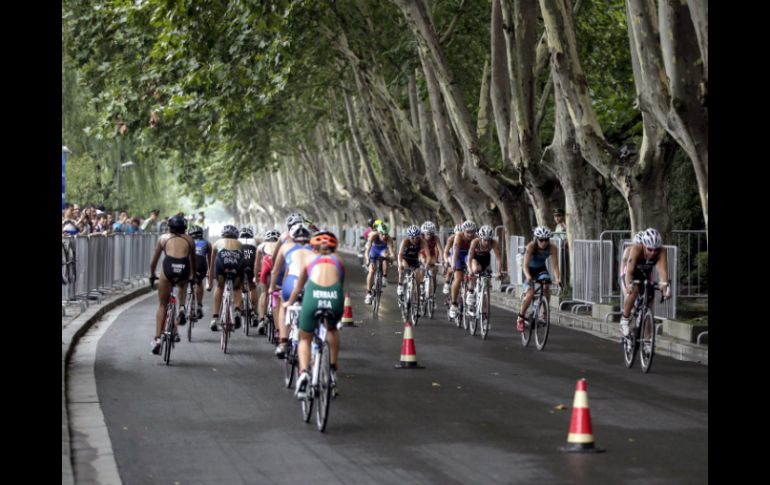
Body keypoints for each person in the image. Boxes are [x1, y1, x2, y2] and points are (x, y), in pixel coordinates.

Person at [284, 231, 345, 399]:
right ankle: (332, 369)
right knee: (332, 329)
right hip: (334, 297)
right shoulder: (339, 260)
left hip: (313, 296)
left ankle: (303, 373)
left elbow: (298, 288)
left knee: (305, 338)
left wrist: (288, 303)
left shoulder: (309, 259)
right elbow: (340, 284)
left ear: (314, 247)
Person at [149, 215, 195, 354]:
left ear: (169, 227)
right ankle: (181, 307)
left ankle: (157, 339)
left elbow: (154, 261)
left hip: (168, 268)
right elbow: (193, 263)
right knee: (182, 284)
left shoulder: (163, 238)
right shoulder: (189, 240)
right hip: (183, 268)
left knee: (162, 305)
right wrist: (192, 276)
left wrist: (152, 275)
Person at [271, 223, 313, 358]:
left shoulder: (286, 246)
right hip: (310, 284)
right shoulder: (315, 248)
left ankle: (283, 342)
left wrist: (272, 288)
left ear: (292, 237)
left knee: (284, 306)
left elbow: (275, 271)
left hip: (291, 283)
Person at [619, 228, 671, 337]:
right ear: (643, 245)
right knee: (633, 291)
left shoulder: (661, 251)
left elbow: (663, 271)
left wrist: (665, 287)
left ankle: (647, 339)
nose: (653, 253)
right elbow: (628, 271)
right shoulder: (634, 249)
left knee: (649, 303)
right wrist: (628, 286)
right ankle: (625, 319)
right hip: (631, 272)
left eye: (655, 250)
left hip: (644, 274)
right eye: (650, 249)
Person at [516, 226, 562, 332]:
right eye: (541, 240)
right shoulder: (531, 246)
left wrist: (558, 278)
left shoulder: (552, 248)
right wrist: (528, 277)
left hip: (541, 269)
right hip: (528, 270)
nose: (544, 242)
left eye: (546, 240)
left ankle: (544, 312)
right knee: (530, 293)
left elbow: (555, 266)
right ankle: (520, 318)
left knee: (546, 286)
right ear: (536, 239)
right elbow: (525, 265)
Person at [208, 224, 244, 331]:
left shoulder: (217, 243)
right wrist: (244, 283)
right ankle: (237, 311)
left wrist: (210, 283)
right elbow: (244, 262)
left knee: (219, 287)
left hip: (222, 263)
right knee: (237, 288)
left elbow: (212, 266)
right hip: (236, 264)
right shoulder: (239, 244)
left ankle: (215, 318)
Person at [465, 225, 503, 307]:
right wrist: (470, 270)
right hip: (474, 258)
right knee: (475, 270)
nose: (487, 243)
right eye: (485, 240)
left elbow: (499, 259)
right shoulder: (475, 242)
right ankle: (470, 291)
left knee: (487, 277)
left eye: (489, 240)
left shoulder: (494, 243)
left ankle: (483, 298)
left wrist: (499, 272)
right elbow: (469, 259)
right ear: (480, 238)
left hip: (485, 258)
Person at [448, 220, 478, 319]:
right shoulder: (458, 236)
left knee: (473, 271)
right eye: (467, 232)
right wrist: (453, 264)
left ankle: (470, 291)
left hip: (468, 255)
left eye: (472, 232)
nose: (470, 234)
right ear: (463, 231)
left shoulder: (476, 237)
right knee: (458, 278)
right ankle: (453, 304)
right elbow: (455, 249)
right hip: (458, 255)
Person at [255, 229, 281, 333]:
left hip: (266, 267)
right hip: (277, 268)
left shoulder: (262, 246)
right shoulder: (282, 246)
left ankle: (261, 320)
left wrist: (255, 276)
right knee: (277, 294)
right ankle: (278, 324)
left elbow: (256, 264)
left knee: (264, 293)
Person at [363, 222, 395, 304]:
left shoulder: (389, 239)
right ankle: (368, 293)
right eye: (382, 234)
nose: (384, 236)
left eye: (386, 234)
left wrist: (391, 257)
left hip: (382, 251)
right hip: (373, 251)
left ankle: (384, 277)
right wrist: (367, 260)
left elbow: (391, 252)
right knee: (372, 271)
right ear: (379, 232)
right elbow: (367, 251)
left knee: (386, 256)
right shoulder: (373, 235)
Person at [396, 225, 428, 301]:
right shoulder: (405, 241)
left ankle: (419, 297)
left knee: (418, 276)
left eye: (417, 237)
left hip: (414, 259)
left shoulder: (422, 242)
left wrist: (426, 264)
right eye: (412, 238)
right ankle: (400, 286)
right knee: (403, 268)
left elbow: (428, 254)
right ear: (409, 236)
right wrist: (400, 264)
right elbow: (400, 254)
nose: (414, 240)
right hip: (405, 258)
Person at [189, 225, 212, 319]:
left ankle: (183, 307)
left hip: (189, 264)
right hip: (201, 264)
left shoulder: (187, 242)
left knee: (185, 282)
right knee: (199, 282)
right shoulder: (207, 243)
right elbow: (210, 261)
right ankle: (199, 305)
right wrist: (209, 273)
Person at [238, 226, 258, 322]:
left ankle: (241, 307)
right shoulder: (255, 241)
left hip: (240, 265)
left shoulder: (237, 241)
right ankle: (254, 312)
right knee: (252, 287)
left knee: (238, 286)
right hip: (250, 265)